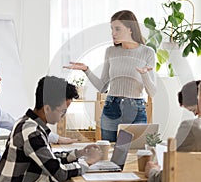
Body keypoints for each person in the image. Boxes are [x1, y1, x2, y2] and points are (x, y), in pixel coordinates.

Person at [0, 76, 102, 182]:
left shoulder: (30, 124)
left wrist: (79, 153)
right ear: (48, 108)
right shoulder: (31, 132)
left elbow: (49, 159)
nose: (64, 115)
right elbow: (59, 173)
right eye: (63, 111)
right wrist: (87, 162)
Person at [64, 10, 156, 142]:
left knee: (134, 153)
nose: (113, 33)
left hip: (136, 108)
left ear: (130, 29)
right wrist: (86, 70)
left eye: (117, 29)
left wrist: (145, 74)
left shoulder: (147, 52)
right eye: (112, 29)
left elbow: (152, 92)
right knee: (109, 153)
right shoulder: (111, 51)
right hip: (111, 107)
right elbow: (103, 87)